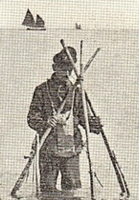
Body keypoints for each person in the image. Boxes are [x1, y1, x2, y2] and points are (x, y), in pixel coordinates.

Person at [26, 47, 102, 192]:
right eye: (62, 68)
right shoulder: (42, 90)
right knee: (47, 190)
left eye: (69, 69)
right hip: (49, 148)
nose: (66, 73)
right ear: (54, 67)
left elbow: (82, 118)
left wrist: (94, 124)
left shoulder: (77, 92)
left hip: (71, 149)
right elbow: (31, 118)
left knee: (72, 189)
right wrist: (46, 122)